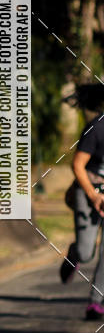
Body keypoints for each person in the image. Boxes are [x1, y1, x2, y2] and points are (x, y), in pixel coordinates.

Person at [59, 112, 104, 319]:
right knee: (87, 253)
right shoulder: (96, 127)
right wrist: (94, 196)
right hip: (88, 190)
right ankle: (75, 253)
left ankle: (96, 301)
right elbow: (77, 165)